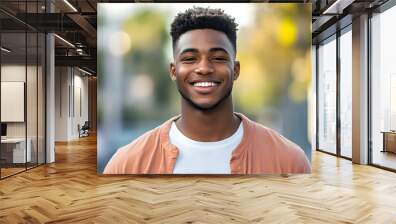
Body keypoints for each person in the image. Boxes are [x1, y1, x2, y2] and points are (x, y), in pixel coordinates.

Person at [103, 7, 311, 174]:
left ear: (236, 70)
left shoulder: (289, 160)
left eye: (218, 58)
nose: (203, 68)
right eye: (190, 59)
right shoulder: (126, 164)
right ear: (173, 71)